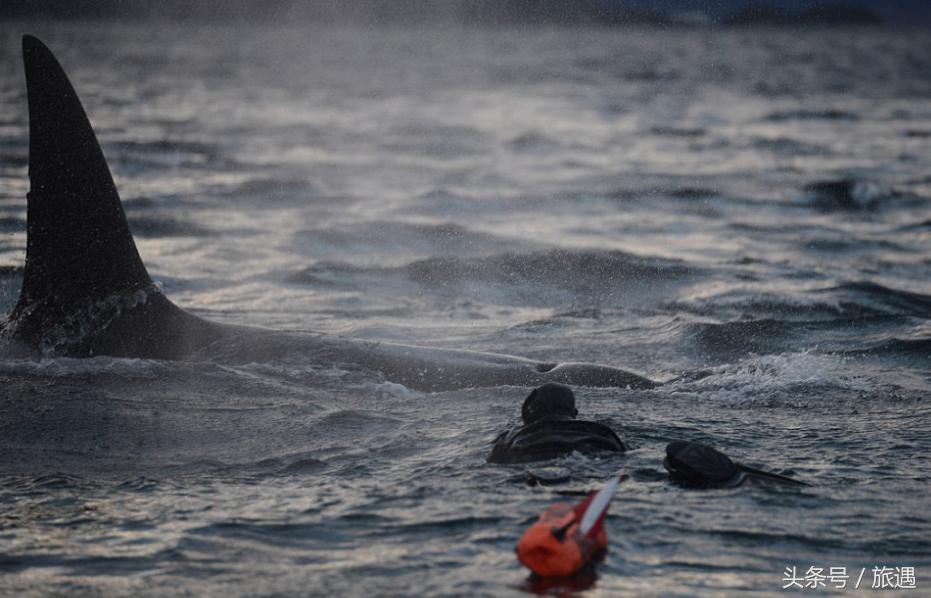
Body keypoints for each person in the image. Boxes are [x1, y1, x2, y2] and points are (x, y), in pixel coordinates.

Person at [487, 383, 627, 464]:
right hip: (593, 461)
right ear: (574, 412)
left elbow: (494, 462)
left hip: (530, 460)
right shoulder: (603, 432)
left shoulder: (511, 436)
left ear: (531, 412)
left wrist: (526, 422)